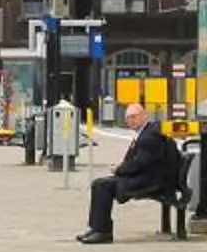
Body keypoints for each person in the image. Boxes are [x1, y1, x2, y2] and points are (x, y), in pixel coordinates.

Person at [78, 102, 182, 243]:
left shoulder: (149, 137)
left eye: (134, 117)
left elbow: (140, 164)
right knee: (100, 184)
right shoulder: (147, 133)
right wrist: (122, 168)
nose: (130, 121)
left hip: (151, 182)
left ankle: (102, 231)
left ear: (144, 116)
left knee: (103, 185)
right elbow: (139, 162)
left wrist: (119, 169)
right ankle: (97, 228)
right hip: (148, 176)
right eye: (128, 118)